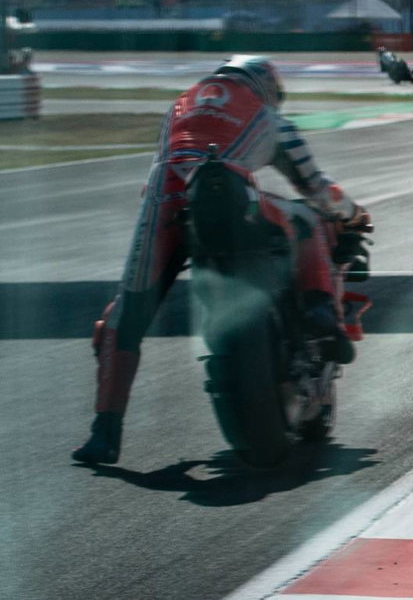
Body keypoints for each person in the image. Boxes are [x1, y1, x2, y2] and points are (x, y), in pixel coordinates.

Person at [72, 56, 370, 465]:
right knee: (307, 217)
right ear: (267, 86)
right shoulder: (270, 118)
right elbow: (317, 188)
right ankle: (322, 311)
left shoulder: (179, 105)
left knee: (124, 318)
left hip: (165, 201)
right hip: (236, 200)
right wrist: (353, 213)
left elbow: (168, 162)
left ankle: (104, 433)